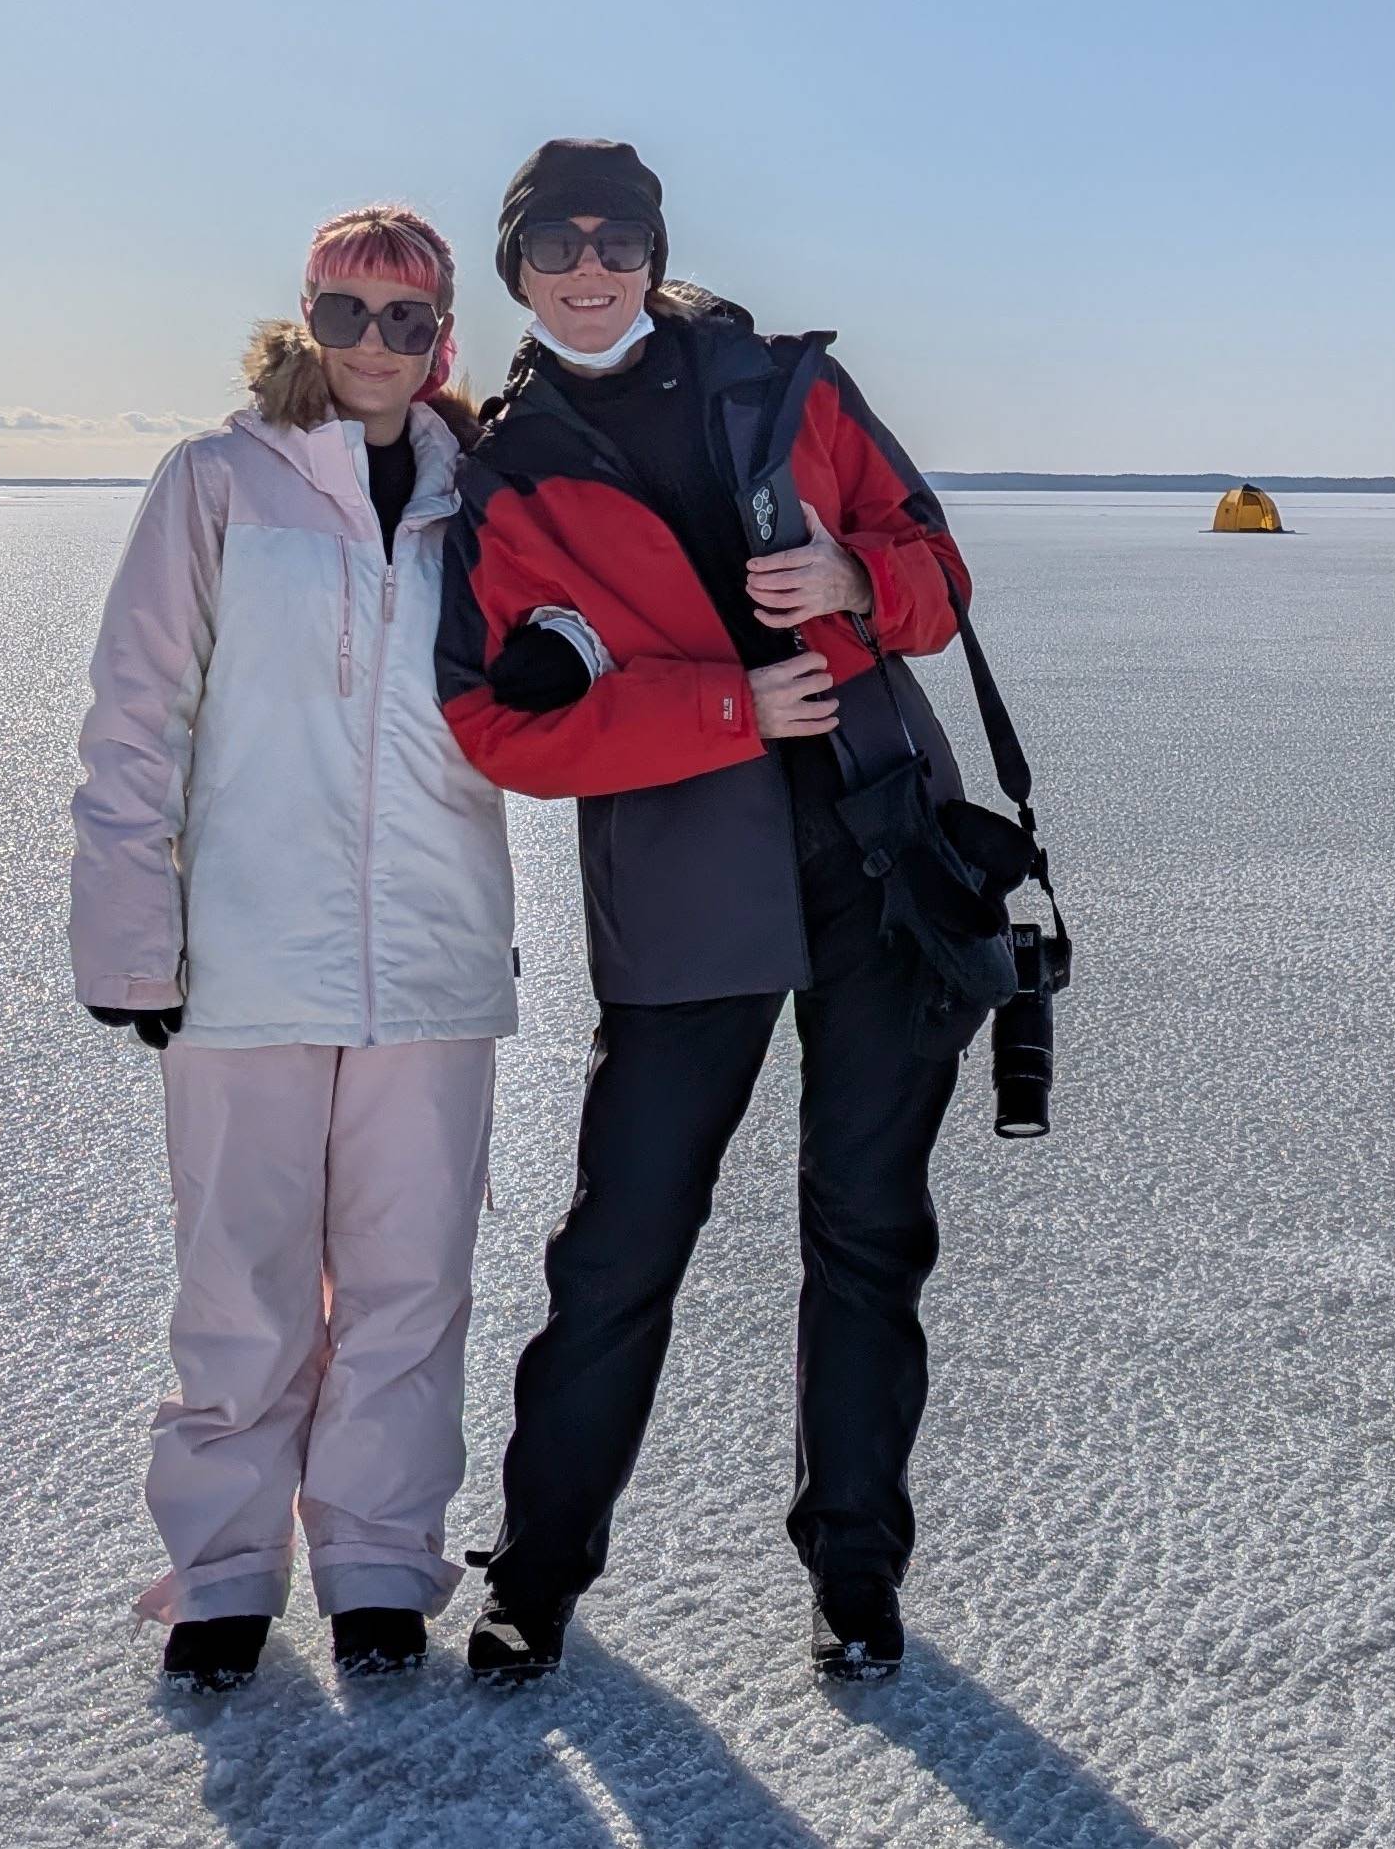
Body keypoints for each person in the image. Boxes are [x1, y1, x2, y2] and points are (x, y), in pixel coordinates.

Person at [433, 137, 982, 1687]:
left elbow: (940, 566)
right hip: (686, 885)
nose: (589, 264)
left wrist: (863, 586)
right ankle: (538, 1574)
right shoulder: (509, 471)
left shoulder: (785, 386)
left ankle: (857, 1574)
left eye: (616, 236)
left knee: (868, 1234)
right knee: (623, 1242)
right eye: (555, 242)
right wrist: (734, 709)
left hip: (882, 860)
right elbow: (496, 724)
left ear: (654, 249)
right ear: (519, 269)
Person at [66, 204, 518, 1692]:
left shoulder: (486, 501)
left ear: (442, 339)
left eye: (406, 322)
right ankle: (224, 1571)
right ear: (303, 322)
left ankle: (382, 1561)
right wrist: (134, 940)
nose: (375, 347)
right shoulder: (216, 484)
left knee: (410, 1272)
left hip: (436, 957)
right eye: (347, 313)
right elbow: (138, 717)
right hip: (248, 961)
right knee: (243, 1276)